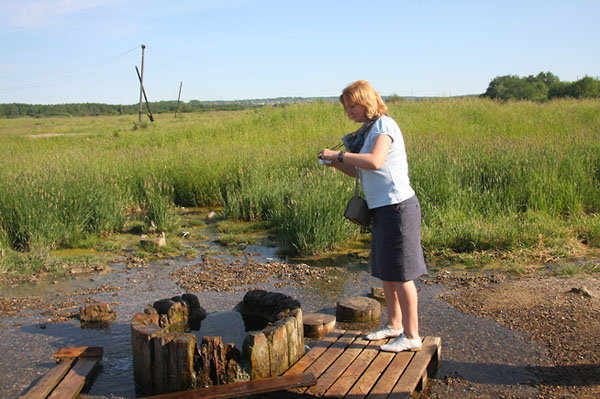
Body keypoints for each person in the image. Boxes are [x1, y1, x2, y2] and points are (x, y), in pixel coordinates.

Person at [318, 80, 427, 352]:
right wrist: (336, 163)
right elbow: (362, 171)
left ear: (366, 102)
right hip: (383, 209)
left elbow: (376, 161)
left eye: (352, 106)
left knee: (402, 275)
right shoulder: (370, 131)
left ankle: (412, 336)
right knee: (387, 273)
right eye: (347, 107)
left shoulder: (384, 126)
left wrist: (339, 154)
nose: (349, 112)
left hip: (399, 208)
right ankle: (394, 325)